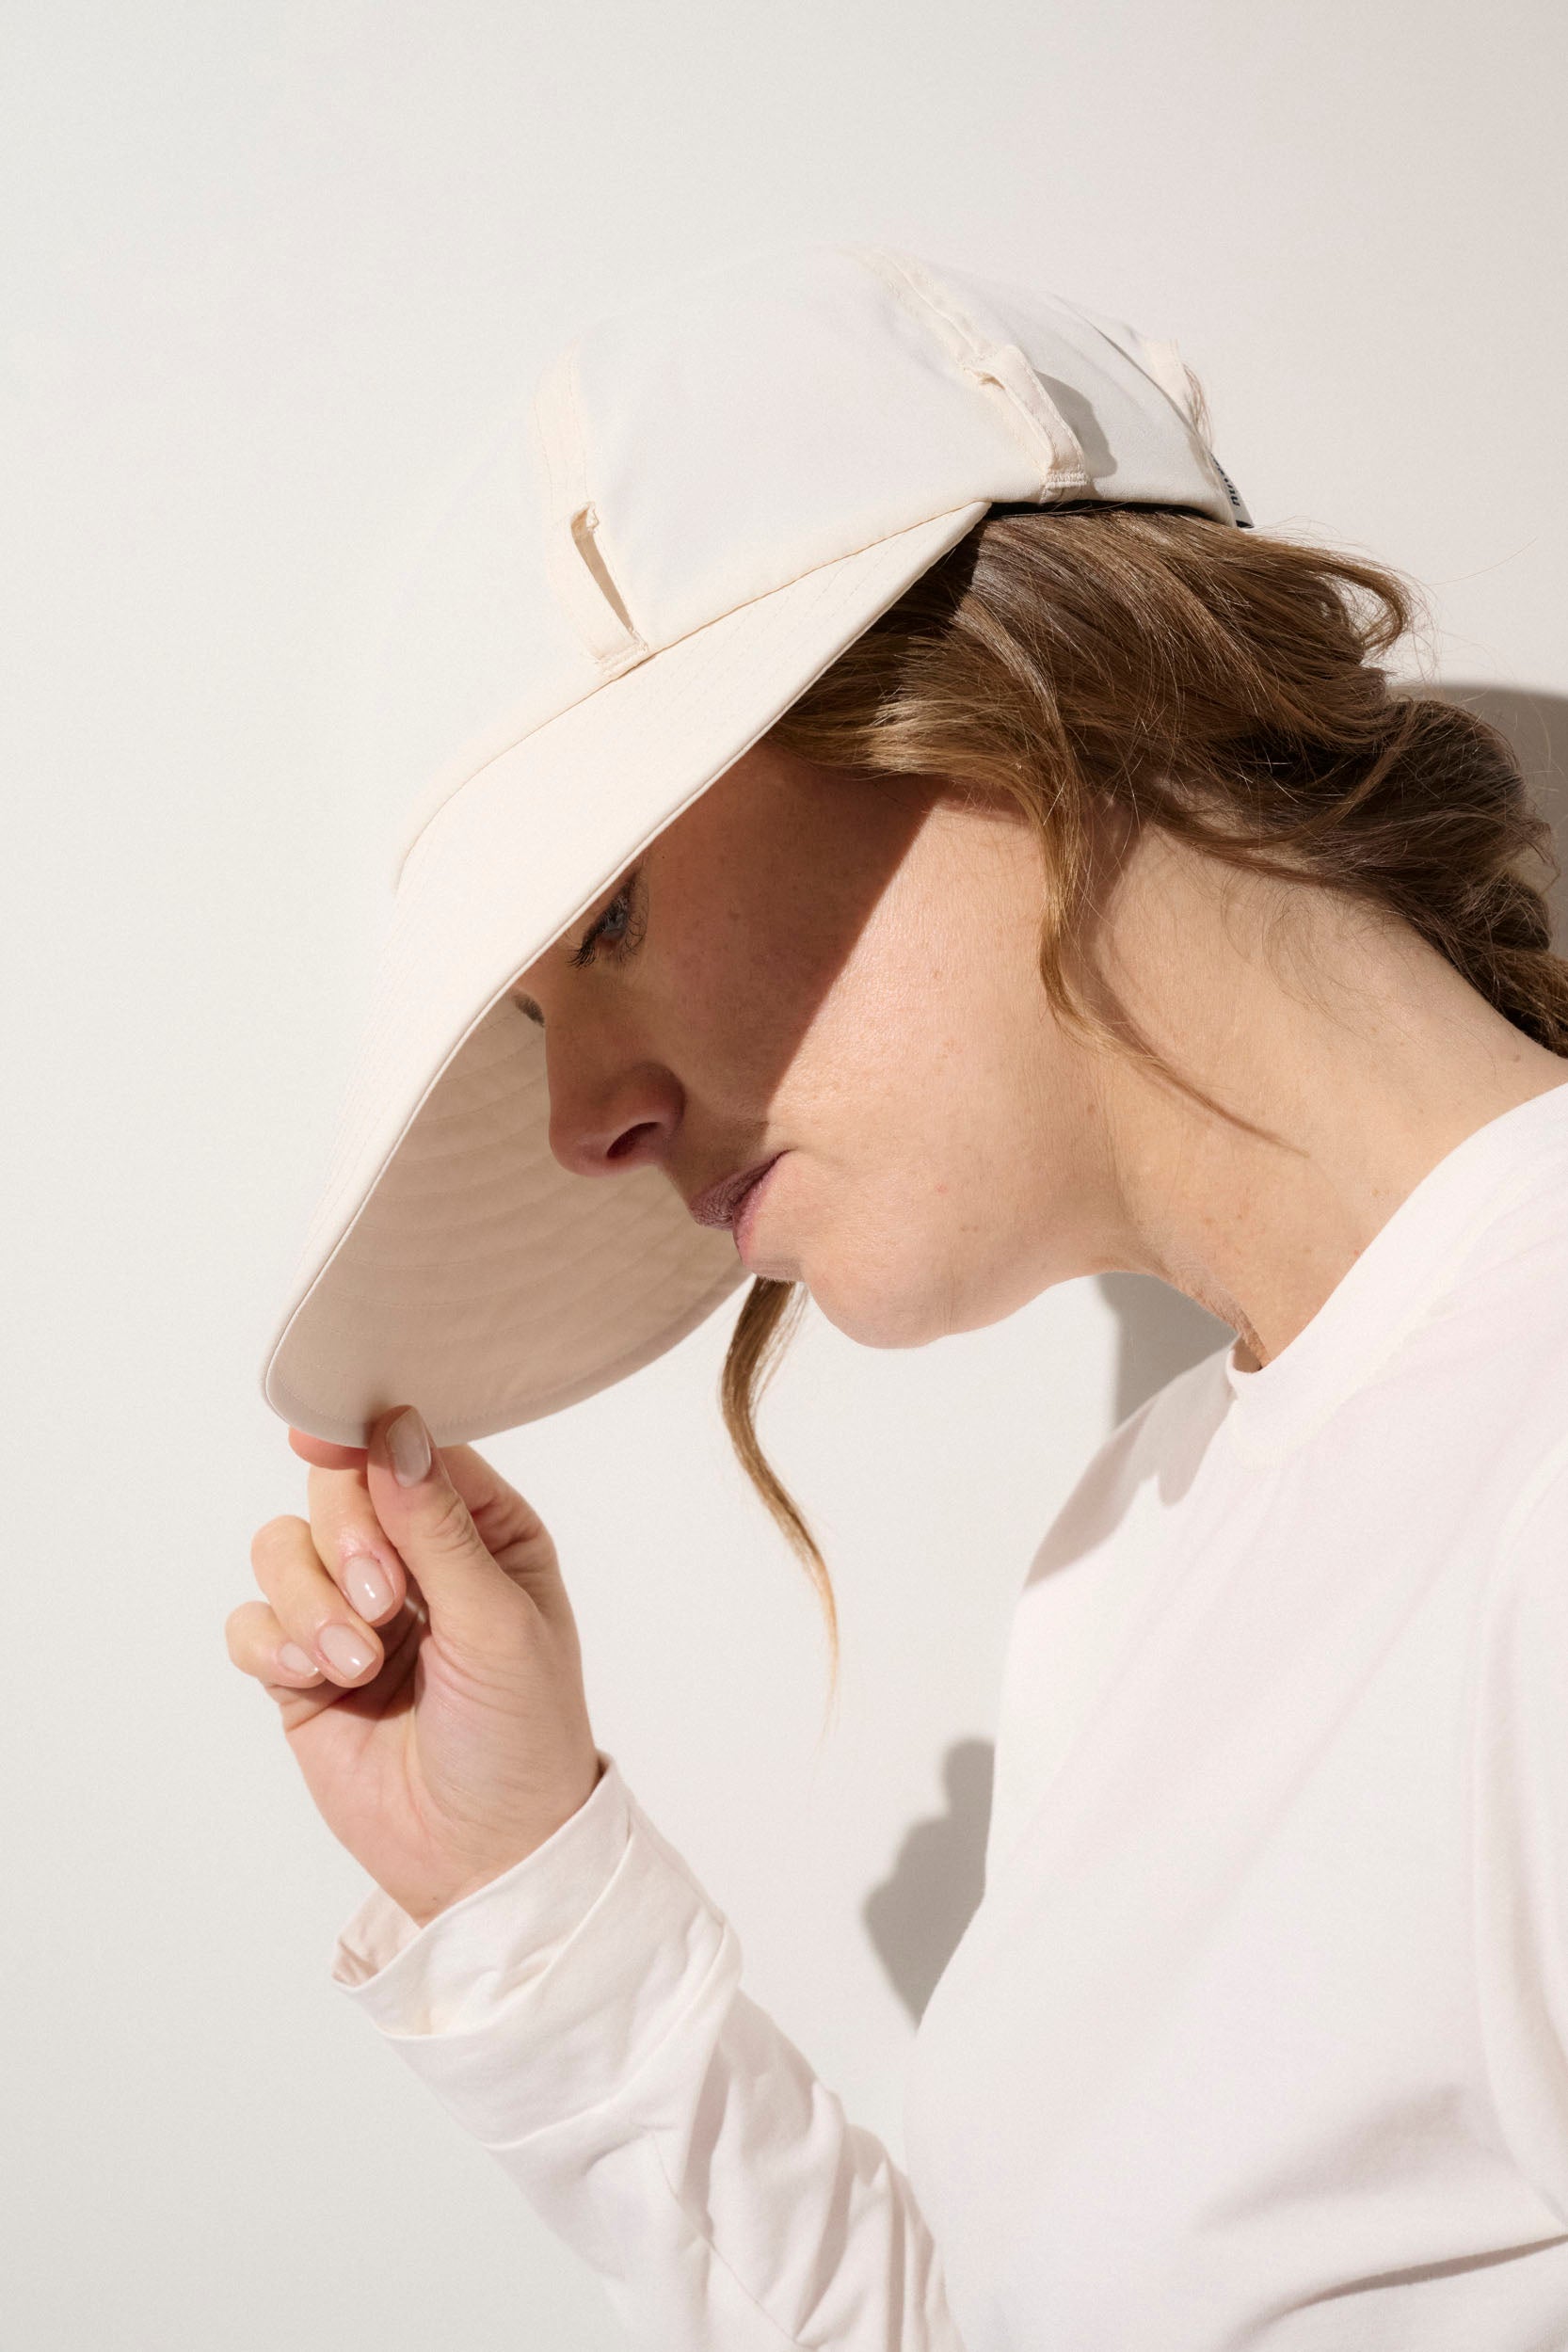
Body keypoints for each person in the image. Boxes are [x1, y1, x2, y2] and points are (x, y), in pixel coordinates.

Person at [229, 244, 1568, 2347]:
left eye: (609, 914)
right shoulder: (1135, 1541)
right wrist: (530, 1895)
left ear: (1006, 692)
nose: (583, 1118)